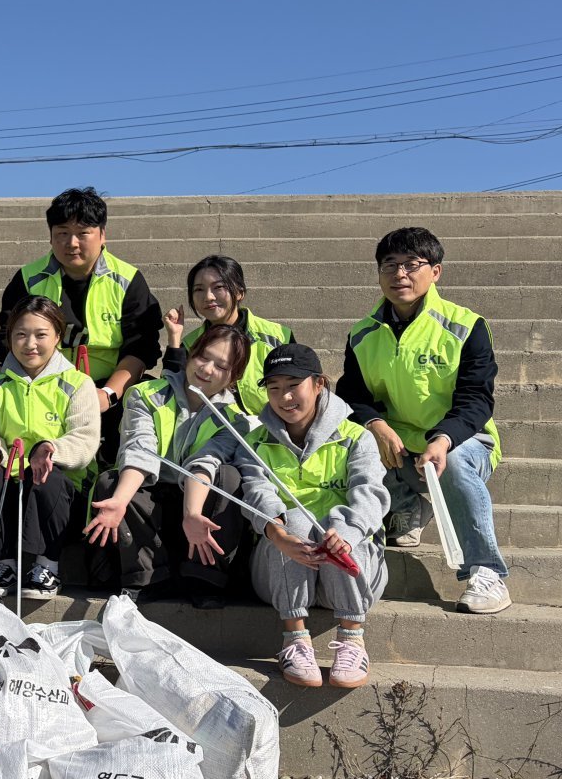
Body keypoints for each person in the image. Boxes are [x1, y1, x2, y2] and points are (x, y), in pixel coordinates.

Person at [182, 343, 389, 689]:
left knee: (340, 523)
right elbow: (257, 491)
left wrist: (346, 534)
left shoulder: (356, 438)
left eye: (294, 385)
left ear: (319, 383)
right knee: (293, 521)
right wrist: (278, 534)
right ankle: (295, 640)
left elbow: (370, 494)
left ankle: (352, 638)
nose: (285, 397)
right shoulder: (256, 441)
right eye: (274, 388)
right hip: (282, 573)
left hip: (351, 570)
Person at [335, 227, 510, 615]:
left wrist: (444, 439)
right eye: (389, 265)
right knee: (346, 442)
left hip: (463, 440)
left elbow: (477, 399)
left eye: (412, 265)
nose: (400, 274)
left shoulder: (467, 326)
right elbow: (353, 397)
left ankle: (486, 571)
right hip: (397, 443)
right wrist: (376, 427)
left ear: (436, 272)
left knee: (458, 462)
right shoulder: (362, 333)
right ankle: (407, 506)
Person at [85, 324, 251, 607]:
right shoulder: (145, 394)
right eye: (203, 357)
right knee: (110, 484)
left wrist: (192, 514)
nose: (207, 369)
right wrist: (120, 501)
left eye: (221, 366)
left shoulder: (235, 420)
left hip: (196, 509)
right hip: (148, 500)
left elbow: (204, 463)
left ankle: (204, 577)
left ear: (233, 376)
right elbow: (140, 449)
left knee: (230, 478)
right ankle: (147, 577)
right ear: (190, 354)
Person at [0, 187, 162, 457]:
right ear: (50, 237)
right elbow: (7, 338)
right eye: (62, 233)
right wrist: (42, 384)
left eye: (83, 233)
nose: (72, 243)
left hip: (104, 385)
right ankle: (5, 461)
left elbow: (141, 348)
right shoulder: (27, 279)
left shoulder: (129, 281)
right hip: (40, 381)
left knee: (146, 391)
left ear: (103, 235)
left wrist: (107, 394)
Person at [0, 297, 102, 597]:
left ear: (57, 336)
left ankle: (47, 565)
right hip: (13, 486)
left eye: (41, 335)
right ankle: (3, 562)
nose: (30, 343)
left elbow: (85, 439)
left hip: (59, 491)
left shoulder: (78, 384)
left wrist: (50, 448)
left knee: (48, 477)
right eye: (20, 334)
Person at [160, 255, 294, 417]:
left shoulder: (277, 336)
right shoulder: (190, 344)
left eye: (218, 287)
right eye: (199, 289)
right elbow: (170, 394)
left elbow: (298, 389)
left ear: (239, 293)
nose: (208, 297)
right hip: (212, 434)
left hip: (268, 434)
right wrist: (174, 338)